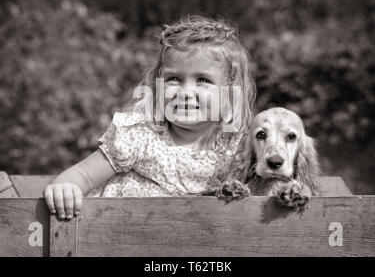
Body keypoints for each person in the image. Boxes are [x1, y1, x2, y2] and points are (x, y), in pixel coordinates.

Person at [43, 15, 256, 220]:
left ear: (230, 91)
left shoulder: (237, 147)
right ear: (157, 83)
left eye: (202, 80)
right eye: (174, 79)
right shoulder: (141, 134)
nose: (185, 92)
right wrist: (66, 187)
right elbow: (82, 175)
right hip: (117, 237)